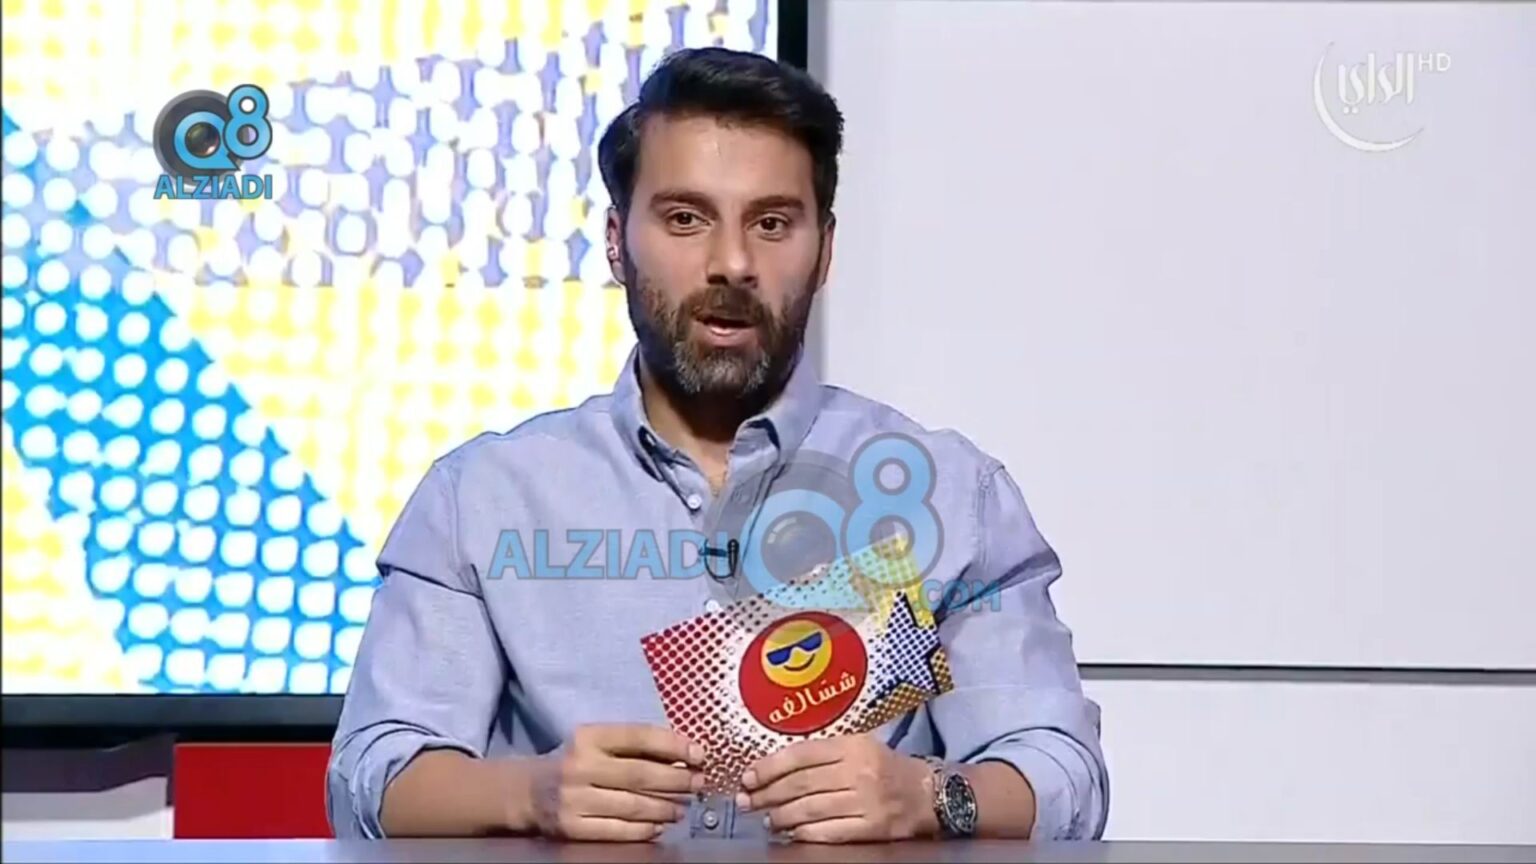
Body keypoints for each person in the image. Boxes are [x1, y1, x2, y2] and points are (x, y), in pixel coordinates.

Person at [326, 46, 1109, 844]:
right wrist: (530, 793)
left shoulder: (950, 494)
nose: (732, 263)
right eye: (685, 219)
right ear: (616, 241)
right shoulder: (482, 497)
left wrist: (931, 796)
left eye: (772, 224)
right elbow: (373, 780)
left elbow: (1063, 775)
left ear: (825, 249)